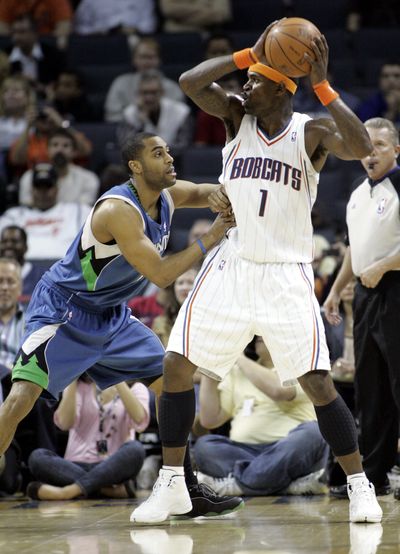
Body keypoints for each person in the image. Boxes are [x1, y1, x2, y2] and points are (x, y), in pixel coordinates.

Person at [130, 23, 383, 524]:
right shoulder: (235, 117)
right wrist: (252, 53)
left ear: (283, 87)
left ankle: (360, 485)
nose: (245, 85)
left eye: (257, 80)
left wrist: (324, 83)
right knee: (176, 365)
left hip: (286, 272)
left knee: (317, 383)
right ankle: (172, 485)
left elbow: (361, 148)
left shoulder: (310, 131)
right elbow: (189, 81)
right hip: (232, 263)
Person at [0, 131, 241, 520]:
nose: (169, 158)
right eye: (158, 153)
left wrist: (236, 191)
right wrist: (212, 236)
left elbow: (201, 192)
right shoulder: (118, 210)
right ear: (136, 166)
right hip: (65, 312)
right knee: (19, 400)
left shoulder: (166, 196)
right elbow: (161, 275)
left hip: (111, 313)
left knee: (172, 382)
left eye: (167, 151)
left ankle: (185, 487)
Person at [324, 117, 400, 498]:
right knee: (371, 388)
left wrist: (385, 265)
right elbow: (355, 249)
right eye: (365, 147)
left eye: (380, 146)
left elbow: (378, 256)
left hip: (396, 287)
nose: (371, 153)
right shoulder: (357, 194)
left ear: (396, 150)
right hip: (368, 293)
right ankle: (374, 473)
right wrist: (336, 289)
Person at [194, 337, 329, 496]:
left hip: (289, 450)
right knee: (204, 446)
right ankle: (287, 485)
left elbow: (279, 391)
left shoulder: (301, 366)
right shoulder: (237, 373)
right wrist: (209, 370)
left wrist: (238, 357)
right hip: (244, 452)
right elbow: (210, 420)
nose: (259, 335)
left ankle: (238, 485)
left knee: (313, 433)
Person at [27, 375, 150, 500]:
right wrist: (73, 376)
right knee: (37, 457)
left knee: (136, 449)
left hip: (112, 467)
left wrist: (116, 376)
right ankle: (107, 490)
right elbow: (65, 423)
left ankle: (67, 492)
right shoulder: (78, 385)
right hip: (74, 465)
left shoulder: (135, 387)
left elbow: (140, 421)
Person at [0, 162, 91, 260]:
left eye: (47, 186)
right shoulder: (13, 215)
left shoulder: (78, 211)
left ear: (56, 189)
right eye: (38, 187)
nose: (42, 192)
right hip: (22, 269)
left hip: (63, 269)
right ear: (31, 190)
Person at [104, 36, 184, 123]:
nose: (147, 62)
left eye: (151, 57)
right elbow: (112, 117)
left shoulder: (173, 88)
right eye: (142, 57)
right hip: (130, 133)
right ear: (134, 60)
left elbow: (180, 118)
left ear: (159, 60)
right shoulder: (120, 83)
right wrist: (135, 117)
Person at [18, 128, 99, 207]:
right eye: (55, 145)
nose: (59, 149)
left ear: (74, 152)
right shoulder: (29, 177)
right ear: (47, 150)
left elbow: (83, 212)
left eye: (65, 146)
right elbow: (26, 207)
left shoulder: (88, 179)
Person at [0, 225, 50, 305]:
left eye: (14, 241)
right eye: (4, 241)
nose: (9, 245)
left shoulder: (44, 277)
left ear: (26, 247)